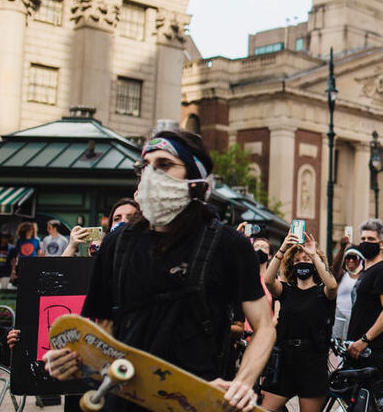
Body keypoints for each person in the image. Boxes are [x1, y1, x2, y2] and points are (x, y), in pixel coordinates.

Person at [43, 130, 275, 412]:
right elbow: (101, 330)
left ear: (195, 178)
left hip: (194, 399)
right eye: (145, 167)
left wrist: (243, 383)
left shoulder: (228, 245)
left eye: (164, 165)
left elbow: (264, 327)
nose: (151, 175)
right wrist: (72, 358)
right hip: (123, 397)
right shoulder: (116, 243)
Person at [261, 231, 338, 412]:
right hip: (284, 361)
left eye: (306, 259)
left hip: (313, 363)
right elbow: (268, 279)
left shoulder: (323, 293)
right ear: (291, 265)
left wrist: (313, 254)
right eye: (297, 260)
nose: (302, 262)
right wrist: (282, 249)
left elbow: (333, 285)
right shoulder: (286, 291)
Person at [345, 219, 383, 380]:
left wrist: (365, 339)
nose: (365, 243)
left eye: (371, 239)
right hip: (357, 350)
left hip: (376, 351)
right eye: (363, 239)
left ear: (382, 244)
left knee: (370, 404)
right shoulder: (366, 272)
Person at [62, 199, 141, 257]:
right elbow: (62, 271)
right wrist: (72, 246)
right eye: (117, 219)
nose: (123, 221)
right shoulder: (102, 249)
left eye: (131, 218)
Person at [334, 246, 363, 340]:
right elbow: (335, 268)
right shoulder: (342, 275)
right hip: (340, 315)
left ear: (360, 259)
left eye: (354, 257)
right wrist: (342, 249)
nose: (351, 260)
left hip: (357, 317)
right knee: (338, 346)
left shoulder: (364, 276)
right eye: (348, 257)